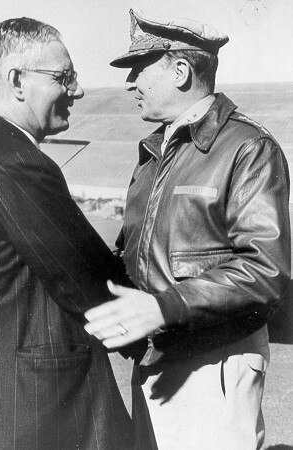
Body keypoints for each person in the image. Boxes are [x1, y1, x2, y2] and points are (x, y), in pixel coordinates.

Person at [84, 8, 291, 450]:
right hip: (159, 359)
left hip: (214, 364)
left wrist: (165, 307)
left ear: (180, 71)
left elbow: (266, 269)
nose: (129, 83)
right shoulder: (155, 151)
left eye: (140, 69)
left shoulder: (248, 148)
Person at [0, 17, 138, 450]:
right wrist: (175, 315)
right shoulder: (19, 165)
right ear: (17, 80)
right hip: (38, 408)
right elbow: (93, 286)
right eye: (64, 77)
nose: (76, 91)